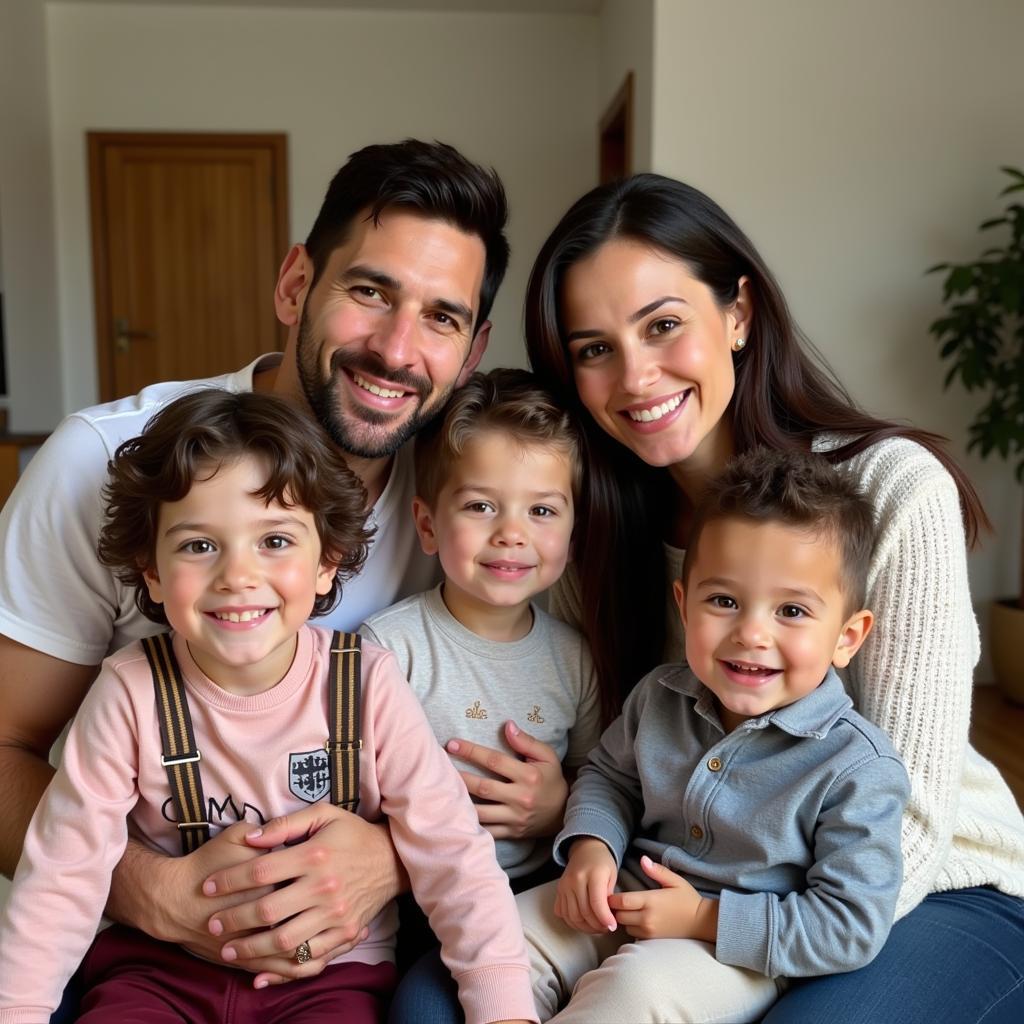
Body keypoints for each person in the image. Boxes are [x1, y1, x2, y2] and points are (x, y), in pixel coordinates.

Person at [0, 139, 540, 986]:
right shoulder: (101, 462)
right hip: (136, 947)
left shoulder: (471, 507)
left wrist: (394, 860)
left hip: (349, 961)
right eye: (370, 291)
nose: (399, 350)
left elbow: (520, 751)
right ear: (295, 286)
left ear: (471, 351)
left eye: (442, 317)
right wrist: (146, 888)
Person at [523, 173, 1024, 1022]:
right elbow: (623, 758)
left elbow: (913, 823)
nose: (636, 376)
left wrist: (720, 932)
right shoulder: (588, 528)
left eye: (664, 325)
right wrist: (568, 819)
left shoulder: (891, 488)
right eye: (594, 348)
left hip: (923, 887)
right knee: (441, 991)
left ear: (740, 315)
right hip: (674, 881)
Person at [0, 389, 537, 1024]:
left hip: (332, 978)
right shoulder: (129, 691)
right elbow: (59, 876)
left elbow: (455, 858)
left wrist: (505, 1011)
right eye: (199, 546)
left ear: (326, 562)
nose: (237, 575)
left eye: (275, 540)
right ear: (149, 571)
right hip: (153, 972)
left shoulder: (365, 684)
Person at [521, 448, 910, 1022]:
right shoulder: (660, 695)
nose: (752, 633)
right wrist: (591, 845)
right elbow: (609, 779)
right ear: (684, 605)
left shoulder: (858, 766)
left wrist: (703, 920)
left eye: (793, 611)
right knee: (502, 936)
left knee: (635, 991)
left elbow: (850, 925)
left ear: (847, 637)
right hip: (622, 893)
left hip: (733, 951)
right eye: (724, 601)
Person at [360, 368, 602, 1022]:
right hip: (416, 901)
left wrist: (559, 810)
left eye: (542, 510)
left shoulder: (573, 656)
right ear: (429, 525)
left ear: (571, 528)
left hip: (533, 893)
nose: (511, 533)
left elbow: (598, 779)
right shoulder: (388, 647)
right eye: (480, 505)